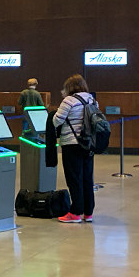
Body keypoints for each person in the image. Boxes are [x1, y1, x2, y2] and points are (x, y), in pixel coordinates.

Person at [52, 74, 97, 223]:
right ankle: (88, 212)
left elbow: (57, 120)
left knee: (74, 178)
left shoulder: (69, 100)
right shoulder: (92, 99)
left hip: (71, 143)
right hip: (88, 144)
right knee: (87, 177)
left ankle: (76, 212)